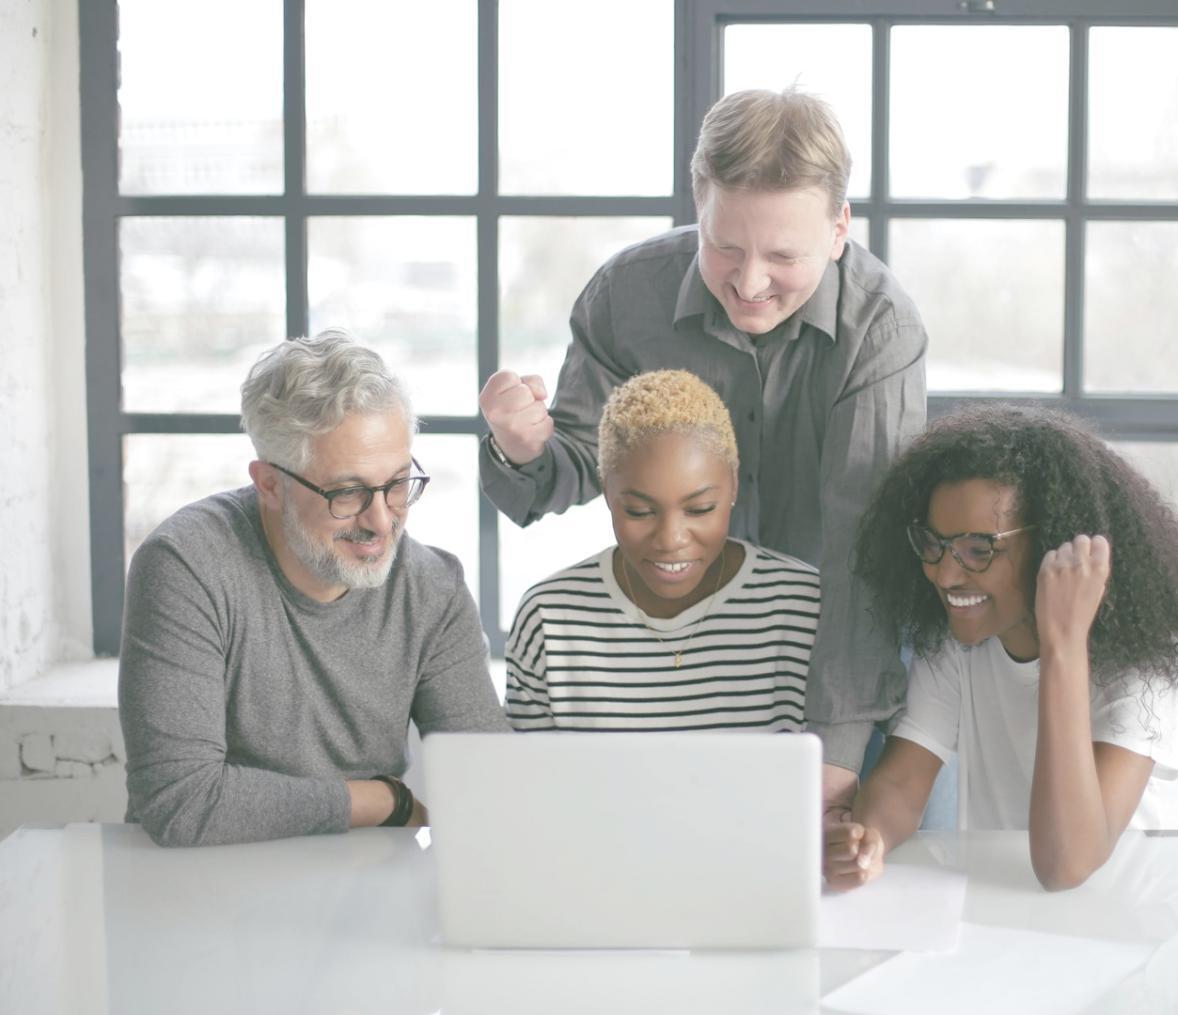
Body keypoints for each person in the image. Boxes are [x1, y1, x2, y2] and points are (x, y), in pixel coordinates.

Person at [478, 89, 927, 797]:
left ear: (839, 228)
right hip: (678, 655)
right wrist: (522, 446)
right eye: (724, 246)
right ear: (698, 203)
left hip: (832, 654)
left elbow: (863, 550)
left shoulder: (881, 328)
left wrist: (836, 761)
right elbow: (573, 468)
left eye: (782, 254)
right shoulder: (626, 297)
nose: (748, 282)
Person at [824, 405, 1178, 1013]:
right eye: (935, 543)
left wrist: (1062, 643)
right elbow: (901, 785)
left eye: (978, 548)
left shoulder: (1146, 664)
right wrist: (867, 838)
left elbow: (1068, 860)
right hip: (1054, 929)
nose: (946, 572)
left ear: (1054, 546)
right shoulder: (956, 643)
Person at [118, 331, 508, 848]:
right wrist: (386, 801)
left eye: (396, 484)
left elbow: (491, 785)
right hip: (199, 886)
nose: (380, 521)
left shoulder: (431, 587)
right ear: (270, 485)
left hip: (361, 889)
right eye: (347, 493)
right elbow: (182, 801)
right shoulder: (187, 566)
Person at [503, 370, 818, 732]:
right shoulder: (549, 619)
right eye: (639, 511)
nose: (670, 539)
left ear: (733, 486)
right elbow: (526, 781)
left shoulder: (801, 607)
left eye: (700, 509)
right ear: (607, 492)